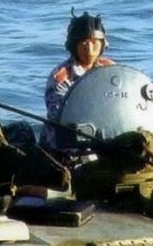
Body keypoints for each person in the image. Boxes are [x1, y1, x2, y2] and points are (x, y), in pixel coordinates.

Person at [41, 11, 114, 151]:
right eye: (84, 43)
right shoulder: (61, 76)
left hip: (103, 136)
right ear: (74, 46)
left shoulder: (110, 69)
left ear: (102, 45)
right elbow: (60, 117)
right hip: (64, 144)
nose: (90, 49)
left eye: (94, 43)